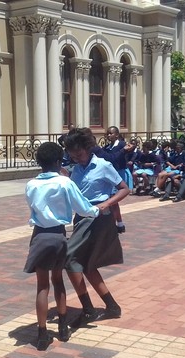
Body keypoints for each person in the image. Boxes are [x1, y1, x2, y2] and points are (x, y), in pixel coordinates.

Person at [24, 142, 100, 350]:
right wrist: (97, 211)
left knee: (42, 285)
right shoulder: (65, 183)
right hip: (58, 235)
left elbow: (33, 208)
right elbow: (83, 207)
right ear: (59, 162)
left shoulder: (31, 185)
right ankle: (63, 327)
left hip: (39, 235)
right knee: (58, 281)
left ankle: (41, 333)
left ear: (39, 162)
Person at [64, 127, 128, 327]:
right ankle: (111, 306)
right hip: (81, 218)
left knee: (69, 257)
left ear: (88, 148)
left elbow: (125, 189)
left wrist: (107, 203)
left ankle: (89, 309)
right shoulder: (75, 169)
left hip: (99, 218)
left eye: (80, 154)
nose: (77, 158)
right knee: (88, 266)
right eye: (73, 156)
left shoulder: (103, 165)